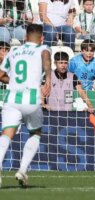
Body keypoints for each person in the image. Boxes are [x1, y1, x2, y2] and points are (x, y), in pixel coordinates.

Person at [0, 24, 51, 187]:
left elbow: (0, 75)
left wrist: (12, 81)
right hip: (31, 98)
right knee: (35, 133)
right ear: (41, 38)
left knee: (7, 134)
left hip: (12, 99)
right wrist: (48, 79)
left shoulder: (13, 51)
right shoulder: (43, 48)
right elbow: (46, 58)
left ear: (25, 37)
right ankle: (22, 170)